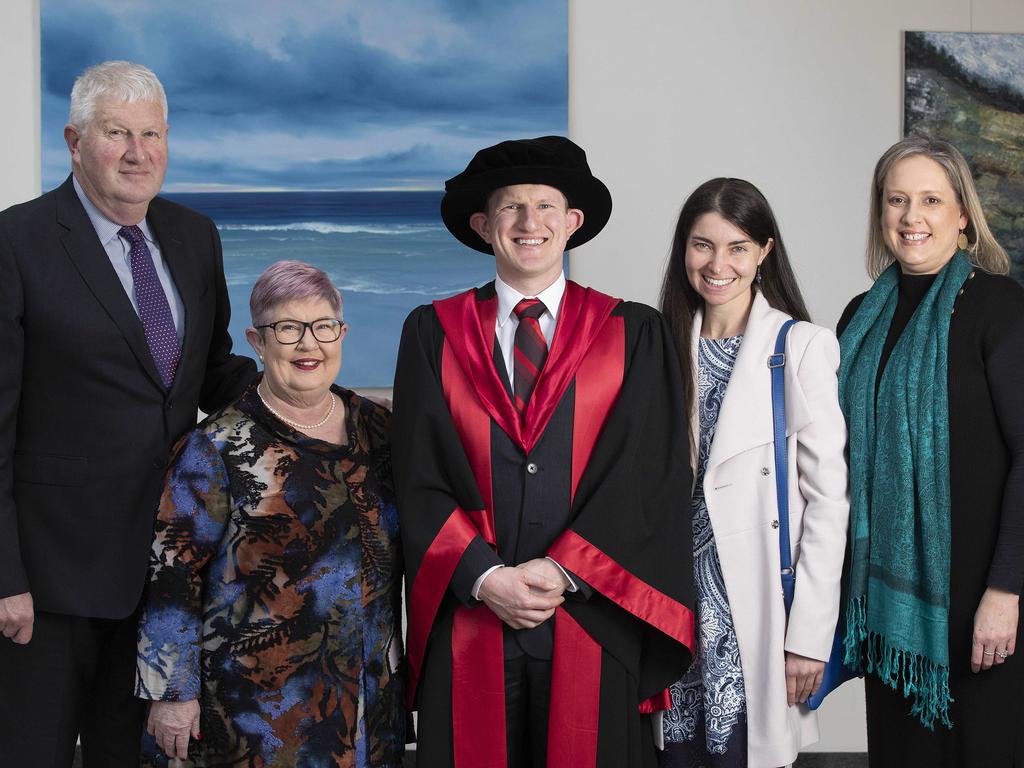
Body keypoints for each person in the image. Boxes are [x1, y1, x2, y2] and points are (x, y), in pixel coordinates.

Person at [392, 136, 696, 767]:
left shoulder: (631, 332)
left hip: (591, 610)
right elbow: (416, 475)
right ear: (483, 226)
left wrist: (563, 571)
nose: (529, 223)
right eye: (510, 208)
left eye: (546, 206)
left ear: (573, 223)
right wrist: (484, 575)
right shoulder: (432, 333)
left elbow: (648, 475)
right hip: (472, 611)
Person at [0, 61, 255, 766]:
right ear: (74, 140)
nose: (139, 153)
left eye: (153, 134)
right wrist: (3, 576)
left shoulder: (195, 236)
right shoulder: (16, 243)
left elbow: (210, 372)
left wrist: (316, 402)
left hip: (161, 575)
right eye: (118, 133)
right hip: (46, 585)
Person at [135, 259, 405, 767]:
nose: (309, 344)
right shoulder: (214, 446)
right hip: (252, 718)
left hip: (369, 703)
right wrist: (171, 694)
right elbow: (171, 579)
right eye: (287, 328)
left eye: (323, 326)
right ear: (257, 342)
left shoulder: (380, 430)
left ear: (341, 332)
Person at [838, 135, 1024, 767]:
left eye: (930, 200)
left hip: (981, 602)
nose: (911, 217)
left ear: (963, 214)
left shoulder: (1000, 308)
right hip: (889, 606)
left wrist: (1006, 590)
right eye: (897, 200)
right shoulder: (858, 318)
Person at [657, 178, 850, 768]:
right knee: (673, 755)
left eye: (737, 247)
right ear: (682, 250)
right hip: (670, 601)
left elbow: (828, 503)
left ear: (765, 250)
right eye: (702, 245)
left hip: (757, 609)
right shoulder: (658, 343)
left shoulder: (801, 347)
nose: (718, 264)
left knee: (740, 754)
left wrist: (808, 639)